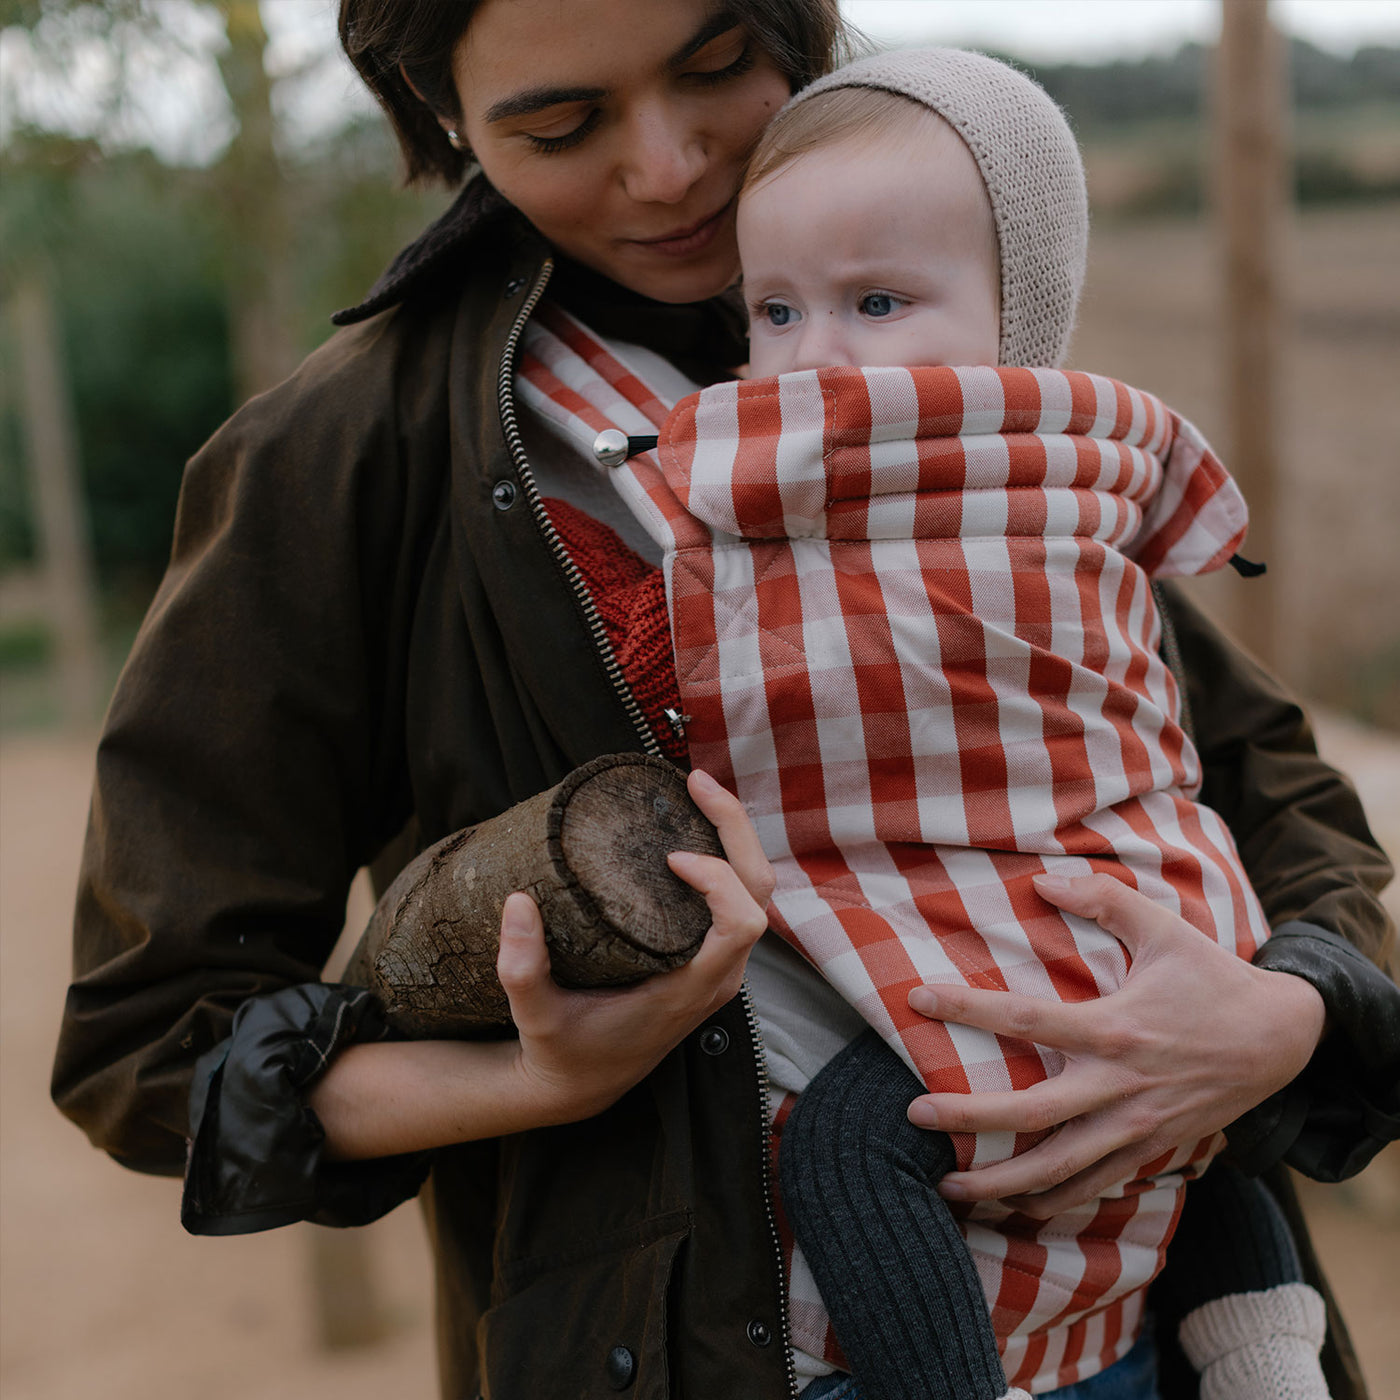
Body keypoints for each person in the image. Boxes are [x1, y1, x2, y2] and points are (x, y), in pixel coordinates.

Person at [47, 3, 1397, 1398]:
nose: (672, 165)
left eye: (716, 70)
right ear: (435, 107)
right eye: (563, 125)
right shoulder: (335, 463)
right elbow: (155, 1051)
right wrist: (534, 1079)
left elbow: (1259, 780)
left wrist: (1273, 1021)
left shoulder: (941, 367)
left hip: (1157, 1321)